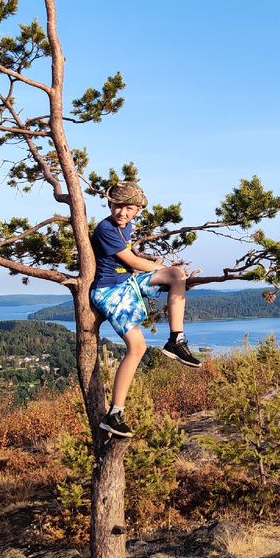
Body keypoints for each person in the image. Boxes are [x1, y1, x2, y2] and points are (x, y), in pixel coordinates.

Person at [90, 181, 201, 438]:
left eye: (129, 208)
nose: (122, 213)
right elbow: (131, 260)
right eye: (118, 206)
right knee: (137, 348)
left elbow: (130, 263)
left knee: (176, 275)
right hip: (109, 290)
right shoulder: (106, 229)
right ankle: (114, 414)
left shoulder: (126, 226)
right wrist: (160, 268)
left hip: (126, 281)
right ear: (110, 204)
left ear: (138, 210)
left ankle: (176, 340)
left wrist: (168, 270)